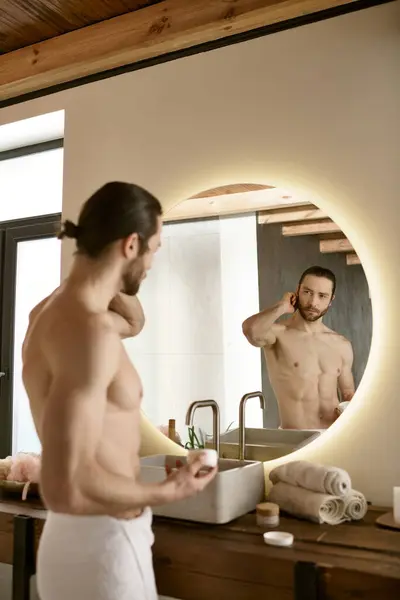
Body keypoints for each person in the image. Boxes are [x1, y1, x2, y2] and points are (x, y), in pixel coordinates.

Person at [22, 181, 217, 600]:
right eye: (155, 248)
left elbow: (134, 322)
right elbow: (63, 484)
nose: (153, 262)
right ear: (132, 245)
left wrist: (102, 276)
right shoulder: (88, 331)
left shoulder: (54, 315)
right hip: (104, 548)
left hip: (87, 540)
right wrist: (169, 492)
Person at [242, 266, 355, 430]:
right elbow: (250, 331)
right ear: (297, 291)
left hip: (334, 436)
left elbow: (348, 394)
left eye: (322, 296)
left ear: (331, 300)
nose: (313, 302)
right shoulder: (277, 335)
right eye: (307, 292)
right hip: (295, 438)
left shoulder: (341, 344)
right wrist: (282, 306)